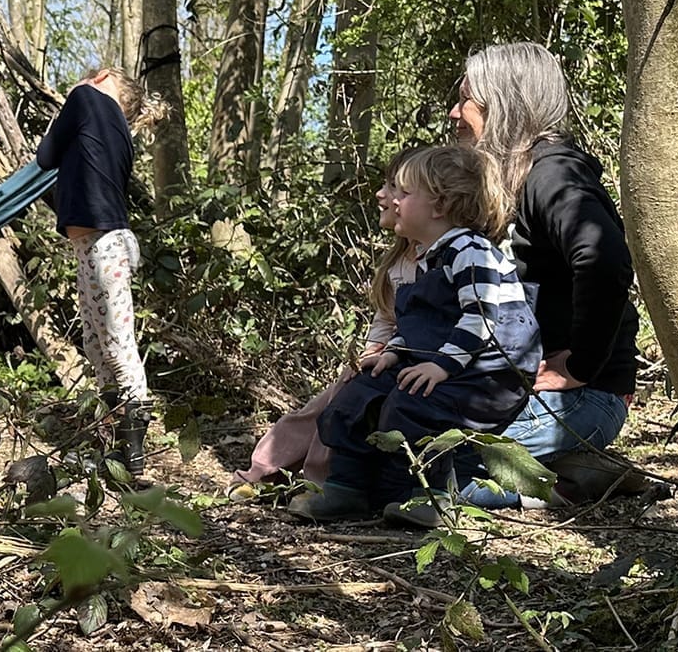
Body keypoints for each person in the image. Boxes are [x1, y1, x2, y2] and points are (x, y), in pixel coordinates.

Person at [289, 144, 540, 528]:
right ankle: (345, 487)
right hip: (446, 359)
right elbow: (425, 324)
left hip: (487, 372)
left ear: (438, 206)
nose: (392, 200)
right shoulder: (428, 256)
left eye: (403, 194)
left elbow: (480, 317)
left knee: (414, 405)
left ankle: (433, 496)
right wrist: (394, 352)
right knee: (358, 394)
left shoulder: (470, 251)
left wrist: (441, 366)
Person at [451, 41, 640, 506]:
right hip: (520, 390)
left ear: (503, 104)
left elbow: (603, 256)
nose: (454, 113)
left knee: (421, 469)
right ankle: (576, 470)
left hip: (583, 398)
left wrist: (579, 364)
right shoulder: (514, 179)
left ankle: (560, 488)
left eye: (465, 99)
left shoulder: (552, 174)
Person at [229, 153, 417, 496]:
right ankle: (264, 471)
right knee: (320, 406)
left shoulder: (441, 261)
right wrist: (373, 348)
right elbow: (386, 317)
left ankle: (316, 481)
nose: (380, 194)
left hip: (406, 363)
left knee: (341, 404)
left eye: (392, 186)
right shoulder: (399, 260)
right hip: (386, 357)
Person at [35, 67, 164, 478]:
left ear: (104, 75)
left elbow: (45, 156)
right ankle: (115, 445)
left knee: (116, 345)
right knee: (97, 343)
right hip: (98, 242)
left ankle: (134, 458)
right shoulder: (116, 127)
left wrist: (75, 94)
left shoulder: (87, 100)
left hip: (103, 242)